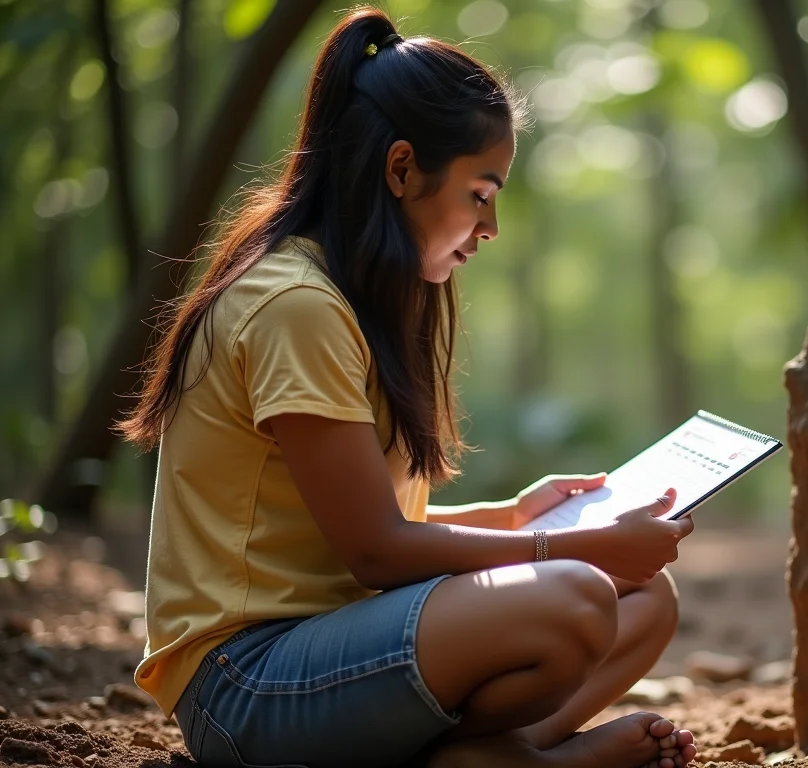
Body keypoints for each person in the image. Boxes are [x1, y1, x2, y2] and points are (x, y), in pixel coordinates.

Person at [117, 8, 699, 768]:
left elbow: (353, 525)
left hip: (340, 647)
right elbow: (378, 551)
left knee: (644, 600)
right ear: (400, 170)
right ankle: (516, 760)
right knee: (580, 594)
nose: (490, 228)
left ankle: (496, 756)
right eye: (480, 194)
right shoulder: (294, 304)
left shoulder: (354, 297)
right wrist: (583, 542)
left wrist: (510, 514)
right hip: (247, 688)